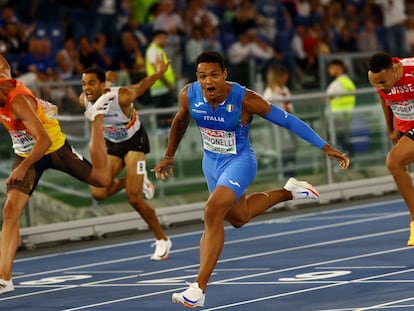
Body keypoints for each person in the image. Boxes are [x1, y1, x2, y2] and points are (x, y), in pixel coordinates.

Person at [152, 51, 350, 308]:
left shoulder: (246, 99)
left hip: (240, 162)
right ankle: (290, 192)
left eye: (214, 75)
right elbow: (180, 121)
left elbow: (288, 121)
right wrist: (169, 155)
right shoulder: (188, 95)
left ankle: (198, 288)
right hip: (211, 164)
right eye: (202, 76)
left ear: (225, 74)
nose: (208, 81)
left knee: (212, 211)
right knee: (238, 217)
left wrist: (326, 147)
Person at [0, 54, 113, 295]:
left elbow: (43, 141)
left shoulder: (17, 101)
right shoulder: (2, 72)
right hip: (24, 154)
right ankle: (4, 278)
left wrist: (21, 167)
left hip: (53, 148)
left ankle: (97, 118)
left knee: (102, 182)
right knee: (10, 211)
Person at [79, 54, 172, 261]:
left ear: (102, 85)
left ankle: (162, 239)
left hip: (134, 142)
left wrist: (158, 72)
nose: (86, 88)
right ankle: (134, 181)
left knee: (134, 198)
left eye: (91, 83)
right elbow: (99, 90)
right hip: (113, 144)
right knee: (98, 192)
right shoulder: (83, 100)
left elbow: (143, 84)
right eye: (84, 83)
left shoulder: (123, 96)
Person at [367, 51, 414, 246]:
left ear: (394, 71)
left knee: (393, 161)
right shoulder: (375, 76)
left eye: (382, 81)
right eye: (375, 82)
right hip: (404, 128)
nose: (380, 86)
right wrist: (391, 128)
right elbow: (384, 101)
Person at [263, 63, 297, 176]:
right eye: (283, 76)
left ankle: (292, 169)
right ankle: (282, 173)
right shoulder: (269, 92)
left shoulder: (285, 89)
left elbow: (289, 105)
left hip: (289, 123)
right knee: (281, 148)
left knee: (292, 147)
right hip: (277, 126)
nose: (285, 78)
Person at [325, 59, 356, 156]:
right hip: (347, 116)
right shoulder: (348, 82)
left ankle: (345, 161)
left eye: (330, 68)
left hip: (336, 118)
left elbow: (326, 98)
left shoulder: (337, 84)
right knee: (345, 140)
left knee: (337, 141)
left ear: (338, 68)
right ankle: (351, 160)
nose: (329, 71)